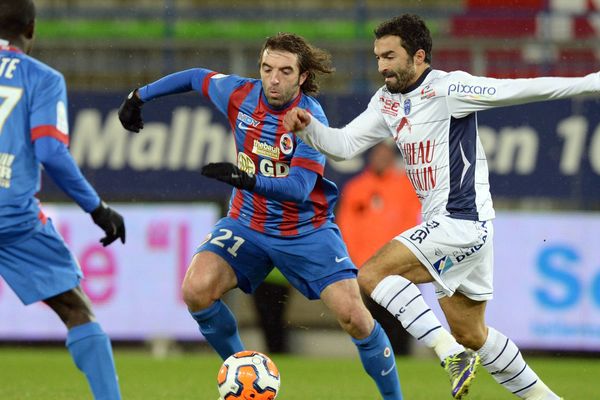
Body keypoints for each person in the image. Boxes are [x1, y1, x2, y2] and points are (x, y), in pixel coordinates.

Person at [283, 13, 591, 400]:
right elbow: (344, 147)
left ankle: (450, 355)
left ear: (419, 56)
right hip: (459, 227)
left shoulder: (450, 88)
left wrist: (591, 82)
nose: (382, 66)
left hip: (460, 221)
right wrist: (309, 127)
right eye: (378, 57)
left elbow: (528, 88)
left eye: (390, 57)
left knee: (372, 275)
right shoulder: (387, 102)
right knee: (472, 332)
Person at [118, 32, 403, 399]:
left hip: (304, 230)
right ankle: (248, 380)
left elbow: (300, 188)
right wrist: (139, 96)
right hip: (246, 224)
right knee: (197, 290)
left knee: (355, 317)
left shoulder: (308, 117)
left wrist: (248, 179)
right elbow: (194, 77)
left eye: (285, 71)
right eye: (267, 68)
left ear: (301, 77)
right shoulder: (240, 93)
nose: (274, 79)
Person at [0, 1, 126, 399]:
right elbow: (52, 153)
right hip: (12, 219)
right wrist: (97, 208)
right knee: (76, 310)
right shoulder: (42, 78)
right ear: (32, 29)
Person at [337, 140, 421, 355]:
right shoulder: (357, 187)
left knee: (401, 316)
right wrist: (355, 260)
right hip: (368, 268)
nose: (380, 159)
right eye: (377, 155)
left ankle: (402, 358)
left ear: (393, 158)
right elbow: (346, 227)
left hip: (400, 266)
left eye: (385, 155)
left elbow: (414, 222)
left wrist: (404, 258)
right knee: (374, 319)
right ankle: (382, 358)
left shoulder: (407, 187)